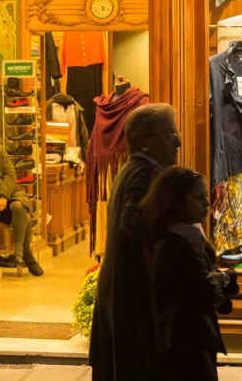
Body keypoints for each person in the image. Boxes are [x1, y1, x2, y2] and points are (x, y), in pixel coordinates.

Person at [88, 103, 180, 381]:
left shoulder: (133, 169)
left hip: (122, 288)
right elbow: (131, 219)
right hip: (130, 291)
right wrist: (176, 229)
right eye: (169, 134)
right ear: (145, 143)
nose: (177, 141)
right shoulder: (144, 173)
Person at [141, 167, 237, 381]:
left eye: (204, 196)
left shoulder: (190, 236)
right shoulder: (173, 244)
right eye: (197, 197)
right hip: (183, 339)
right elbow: (199, 283)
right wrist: (225, 283)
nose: (206, 203)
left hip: (191, 336)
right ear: (176, 203)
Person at [0, 151, 44, 277]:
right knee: (26, 217)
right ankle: (25, 254)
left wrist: (4, 195)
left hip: (10, 194)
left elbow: (11, 175)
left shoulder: (0, 153)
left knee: (18, 205)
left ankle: (17, 252)